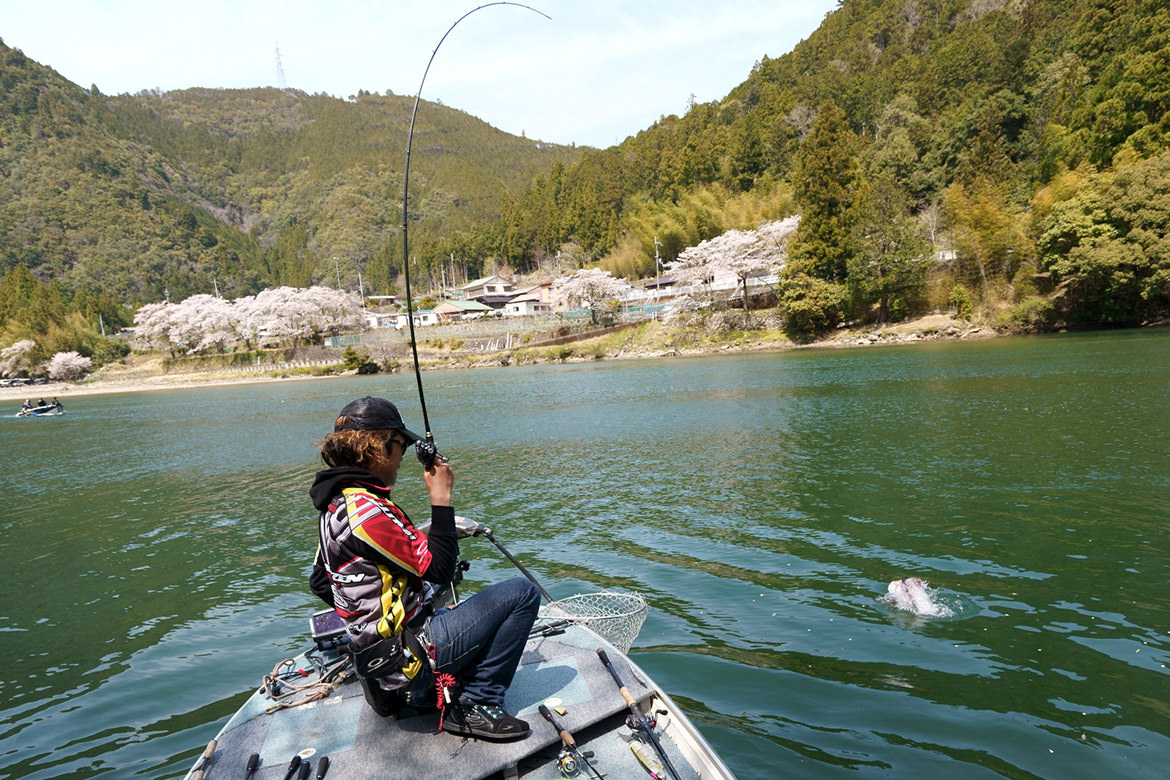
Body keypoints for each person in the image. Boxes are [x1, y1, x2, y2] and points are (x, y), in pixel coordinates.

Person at [309, 396, 540, 742]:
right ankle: (476, 702)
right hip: (405, 659)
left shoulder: (336, 506)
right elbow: (442, 570)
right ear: (378, 447)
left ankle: (426, 688)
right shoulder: (368, 512)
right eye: (400, 444)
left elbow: (321, 583)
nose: (402, 456)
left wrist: (374, 619)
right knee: (522, 594)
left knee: (446, 606)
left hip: (376, 663)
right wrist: (441, 498)